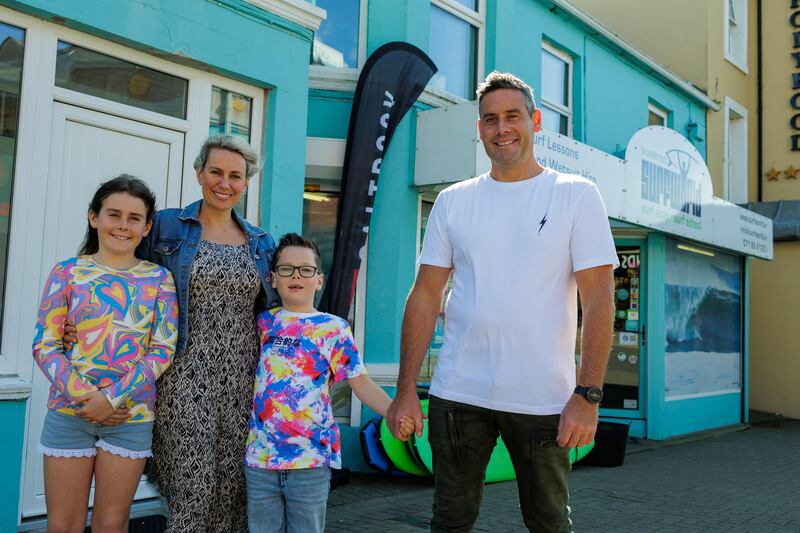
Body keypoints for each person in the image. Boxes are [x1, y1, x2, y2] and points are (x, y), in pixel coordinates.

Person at [386, 71, 618, 532]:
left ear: (535, 121)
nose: (501, 128)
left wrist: (588, 395)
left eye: (513, 116)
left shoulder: (575, 195)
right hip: (458, 393)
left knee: (548, 523)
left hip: (544, 399)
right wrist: (405, 389)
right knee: (449, 521)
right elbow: (426, 295)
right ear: (480, 129)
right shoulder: (453, 201)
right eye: (490, 119)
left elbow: (598, 300)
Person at [66, 135, 279, 531]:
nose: (224, 183)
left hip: (245, 383)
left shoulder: (261, 242)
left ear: (246, 182)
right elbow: (121, 274)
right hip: (180, 377)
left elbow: (276, 313)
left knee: (232, 494)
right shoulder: (166, 226)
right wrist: (82, 324)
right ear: (199, 173)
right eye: (215, 171)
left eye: (235, 176)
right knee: (191, 491)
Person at [33, 175, 178, 532]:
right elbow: (45, 345)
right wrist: (88, 399)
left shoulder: (159, 279)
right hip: (69, 412)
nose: (123, 225)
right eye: (114, 214)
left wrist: (111, 398)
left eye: (134, 218)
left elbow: (162, 349)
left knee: (111, 524)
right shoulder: (67, 272)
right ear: (94, 217)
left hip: (130, 416)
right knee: (62, 525)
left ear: (146, 228)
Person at [245, 233, 415, 533]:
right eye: (286, 269)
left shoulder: (333, 328)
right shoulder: (263, 323)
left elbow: (361, 384)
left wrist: (395, 413)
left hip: (311, 459)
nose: (296, 276)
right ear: (273, 278)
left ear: (319, 280)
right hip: (260, 460)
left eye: (305, 269)